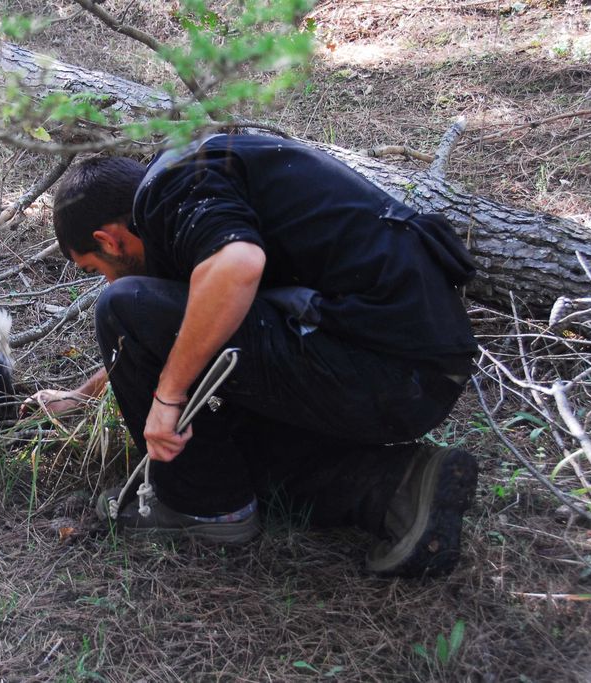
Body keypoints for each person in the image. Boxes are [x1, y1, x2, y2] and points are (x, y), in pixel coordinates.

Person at [28, 133, 480, 578]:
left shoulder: (172, 190)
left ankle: (202, 506)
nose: (107, 280)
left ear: (108, 241)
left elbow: (236, 267)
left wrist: (167, 397)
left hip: (385, 366)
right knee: (220, 443)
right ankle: (397, 488)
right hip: (413, 372)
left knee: (121, 307)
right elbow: (185, 321)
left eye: (96, 269)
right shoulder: (195, 187)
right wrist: (84, 395)